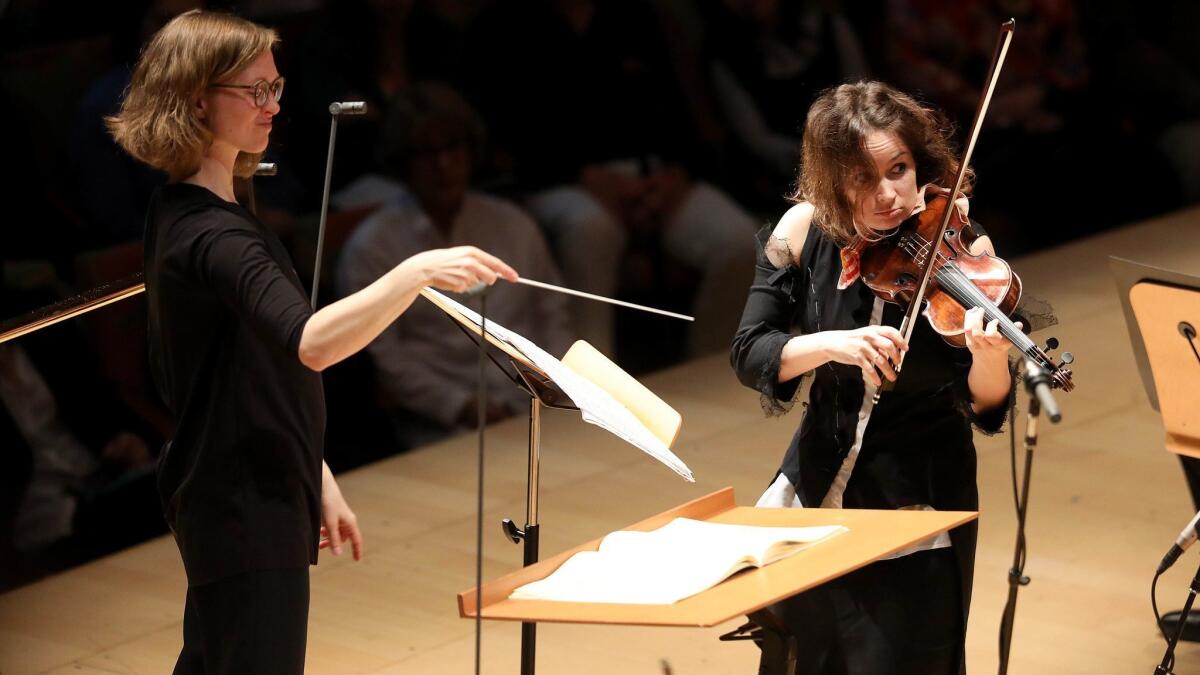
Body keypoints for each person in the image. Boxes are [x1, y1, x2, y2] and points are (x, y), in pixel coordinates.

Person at [106, 10, 516, 674]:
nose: (273, 105)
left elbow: (250, 371)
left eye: (277, 86)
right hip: (240, 500)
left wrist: (314, 473)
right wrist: (415, 271)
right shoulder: (215, 235)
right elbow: (311, 343)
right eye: (254, 90)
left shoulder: (190, 208)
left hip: (240, 485)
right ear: (196, 99)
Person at [730, 81, 1016, 673]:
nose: (888, 195)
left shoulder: (962, 248)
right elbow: (751, 351)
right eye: (863, 178)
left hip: (918, 505)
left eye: (900, 169)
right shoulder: (803, 234)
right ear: (834, 181)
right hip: (816, 486)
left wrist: (990, 360)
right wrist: (833, 344)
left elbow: (986, 409)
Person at [337, 83, 573, 449]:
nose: (443, 165)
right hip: (440, 428)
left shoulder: (512, 222)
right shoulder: (373, 246)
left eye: (451, 147)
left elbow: (552, 312)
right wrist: (460, 405)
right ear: (403, 159)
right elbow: (384, 356)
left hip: (536, 409)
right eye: (425, 152)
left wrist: (555, 383)